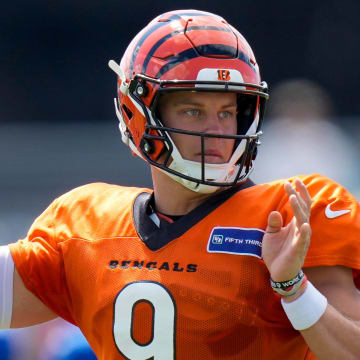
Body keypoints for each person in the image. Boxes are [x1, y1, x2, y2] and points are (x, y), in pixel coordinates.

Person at [1, 9, 360, 360]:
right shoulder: (85, 226)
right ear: (139, 113)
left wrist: (294, 289)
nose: (218, 132)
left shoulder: (289, 213)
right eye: (193, 111)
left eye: (228, 112)